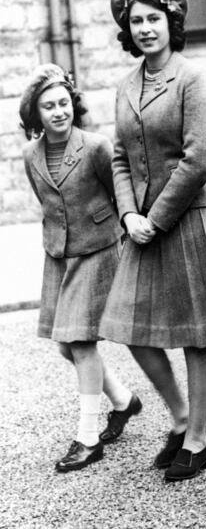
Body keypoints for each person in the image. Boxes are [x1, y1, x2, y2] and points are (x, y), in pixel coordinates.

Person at [99, 0, 206, 482]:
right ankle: (181, 418)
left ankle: (200, 439)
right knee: (129, 328)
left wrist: (155, 219)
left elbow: (199, 159)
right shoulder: (125, 84)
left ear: (172, 22)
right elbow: (119, 157)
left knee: (194, 337)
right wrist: (128, 214)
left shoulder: (194, 79)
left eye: (153, 18)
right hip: (140, 224)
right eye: (135, 20)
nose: (144, 27)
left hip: (187, 220)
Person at [20, 64, 142, 472]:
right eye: (49, 106)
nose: (59, 111)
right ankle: (124, 402)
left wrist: (126, 241)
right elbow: (47, 202)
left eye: (64, 103)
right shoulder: (29, 155)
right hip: (58, 254)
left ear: (73, 104)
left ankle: (88, 438)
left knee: (82, 343)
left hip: (97, 249)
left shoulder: (95, 147)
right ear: (35, 113)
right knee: (63, 346)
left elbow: (119, 195)